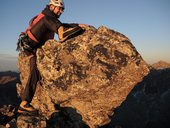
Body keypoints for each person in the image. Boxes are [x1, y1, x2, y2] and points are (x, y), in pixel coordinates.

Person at [17, 0, 87, 114]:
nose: (60, 11)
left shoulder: (52, 20)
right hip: (29, 41)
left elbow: (59, 24)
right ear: (51, 6)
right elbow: (56, 24)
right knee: (48, 22)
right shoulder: (46, 15)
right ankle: (62, 34)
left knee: (35, 72)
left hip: (32, 48)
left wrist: (78, 25)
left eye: (61, 9)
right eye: (58, 8)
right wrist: (66, 30)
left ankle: (24, 103)